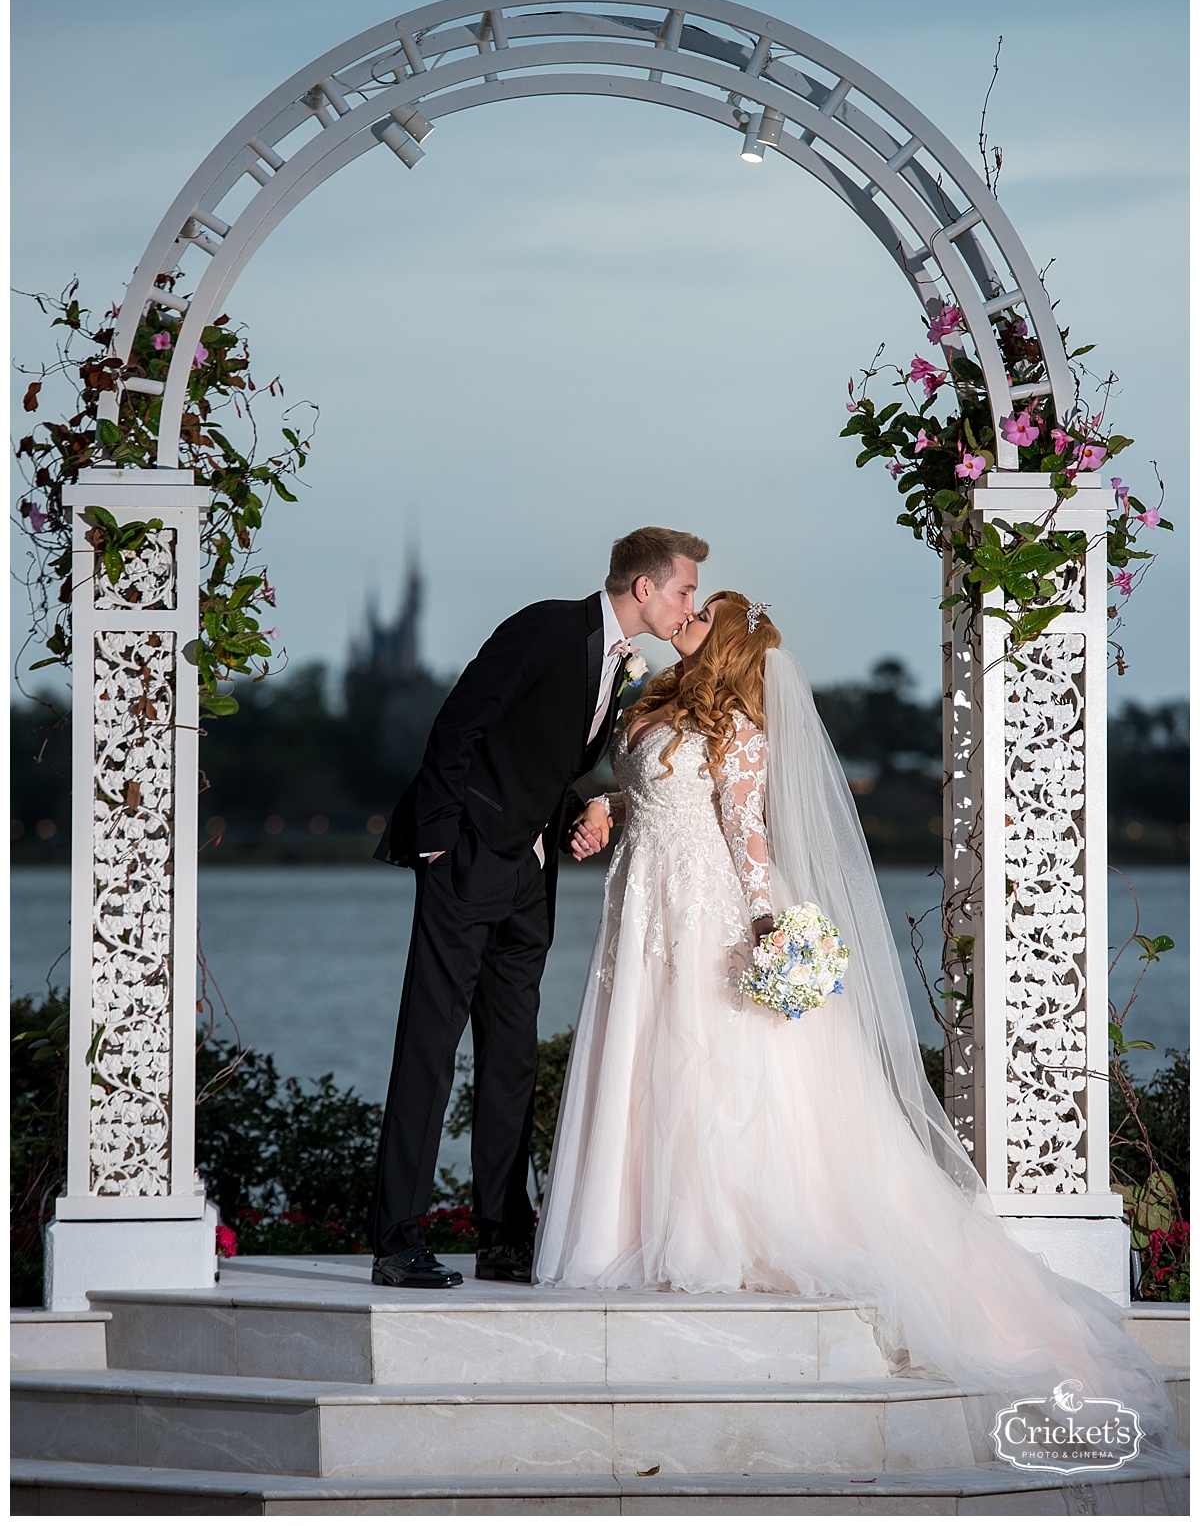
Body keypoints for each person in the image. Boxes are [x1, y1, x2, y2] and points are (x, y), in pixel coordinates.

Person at [535, 592, 1178, 1447]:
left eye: (702, 615)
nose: (686, 617)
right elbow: (644, 786)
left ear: (723, 643)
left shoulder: (741, 728)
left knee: (707, 1066)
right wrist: (609, 805)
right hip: (645, 909)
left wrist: (771, 928)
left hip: (707, 916)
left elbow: (746, 834)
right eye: (690, 606)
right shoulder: (655, 699)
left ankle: (705, 1235)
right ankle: (628, 1222)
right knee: (644, 1060)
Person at [368, 527, 708, 1287]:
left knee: (512, 1056)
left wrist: (573, 820)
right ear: (645, 587)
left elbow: (552, 761)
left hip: (529, 875)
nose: (689, 605)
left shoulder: (629, 664)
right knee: (430, 1046)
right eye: (684, 590)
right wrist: (436, 843)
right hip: (463, 858)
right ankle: (396, 1243)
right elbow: (460, 722)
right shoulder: (547, 626)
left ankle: (504, 1238)